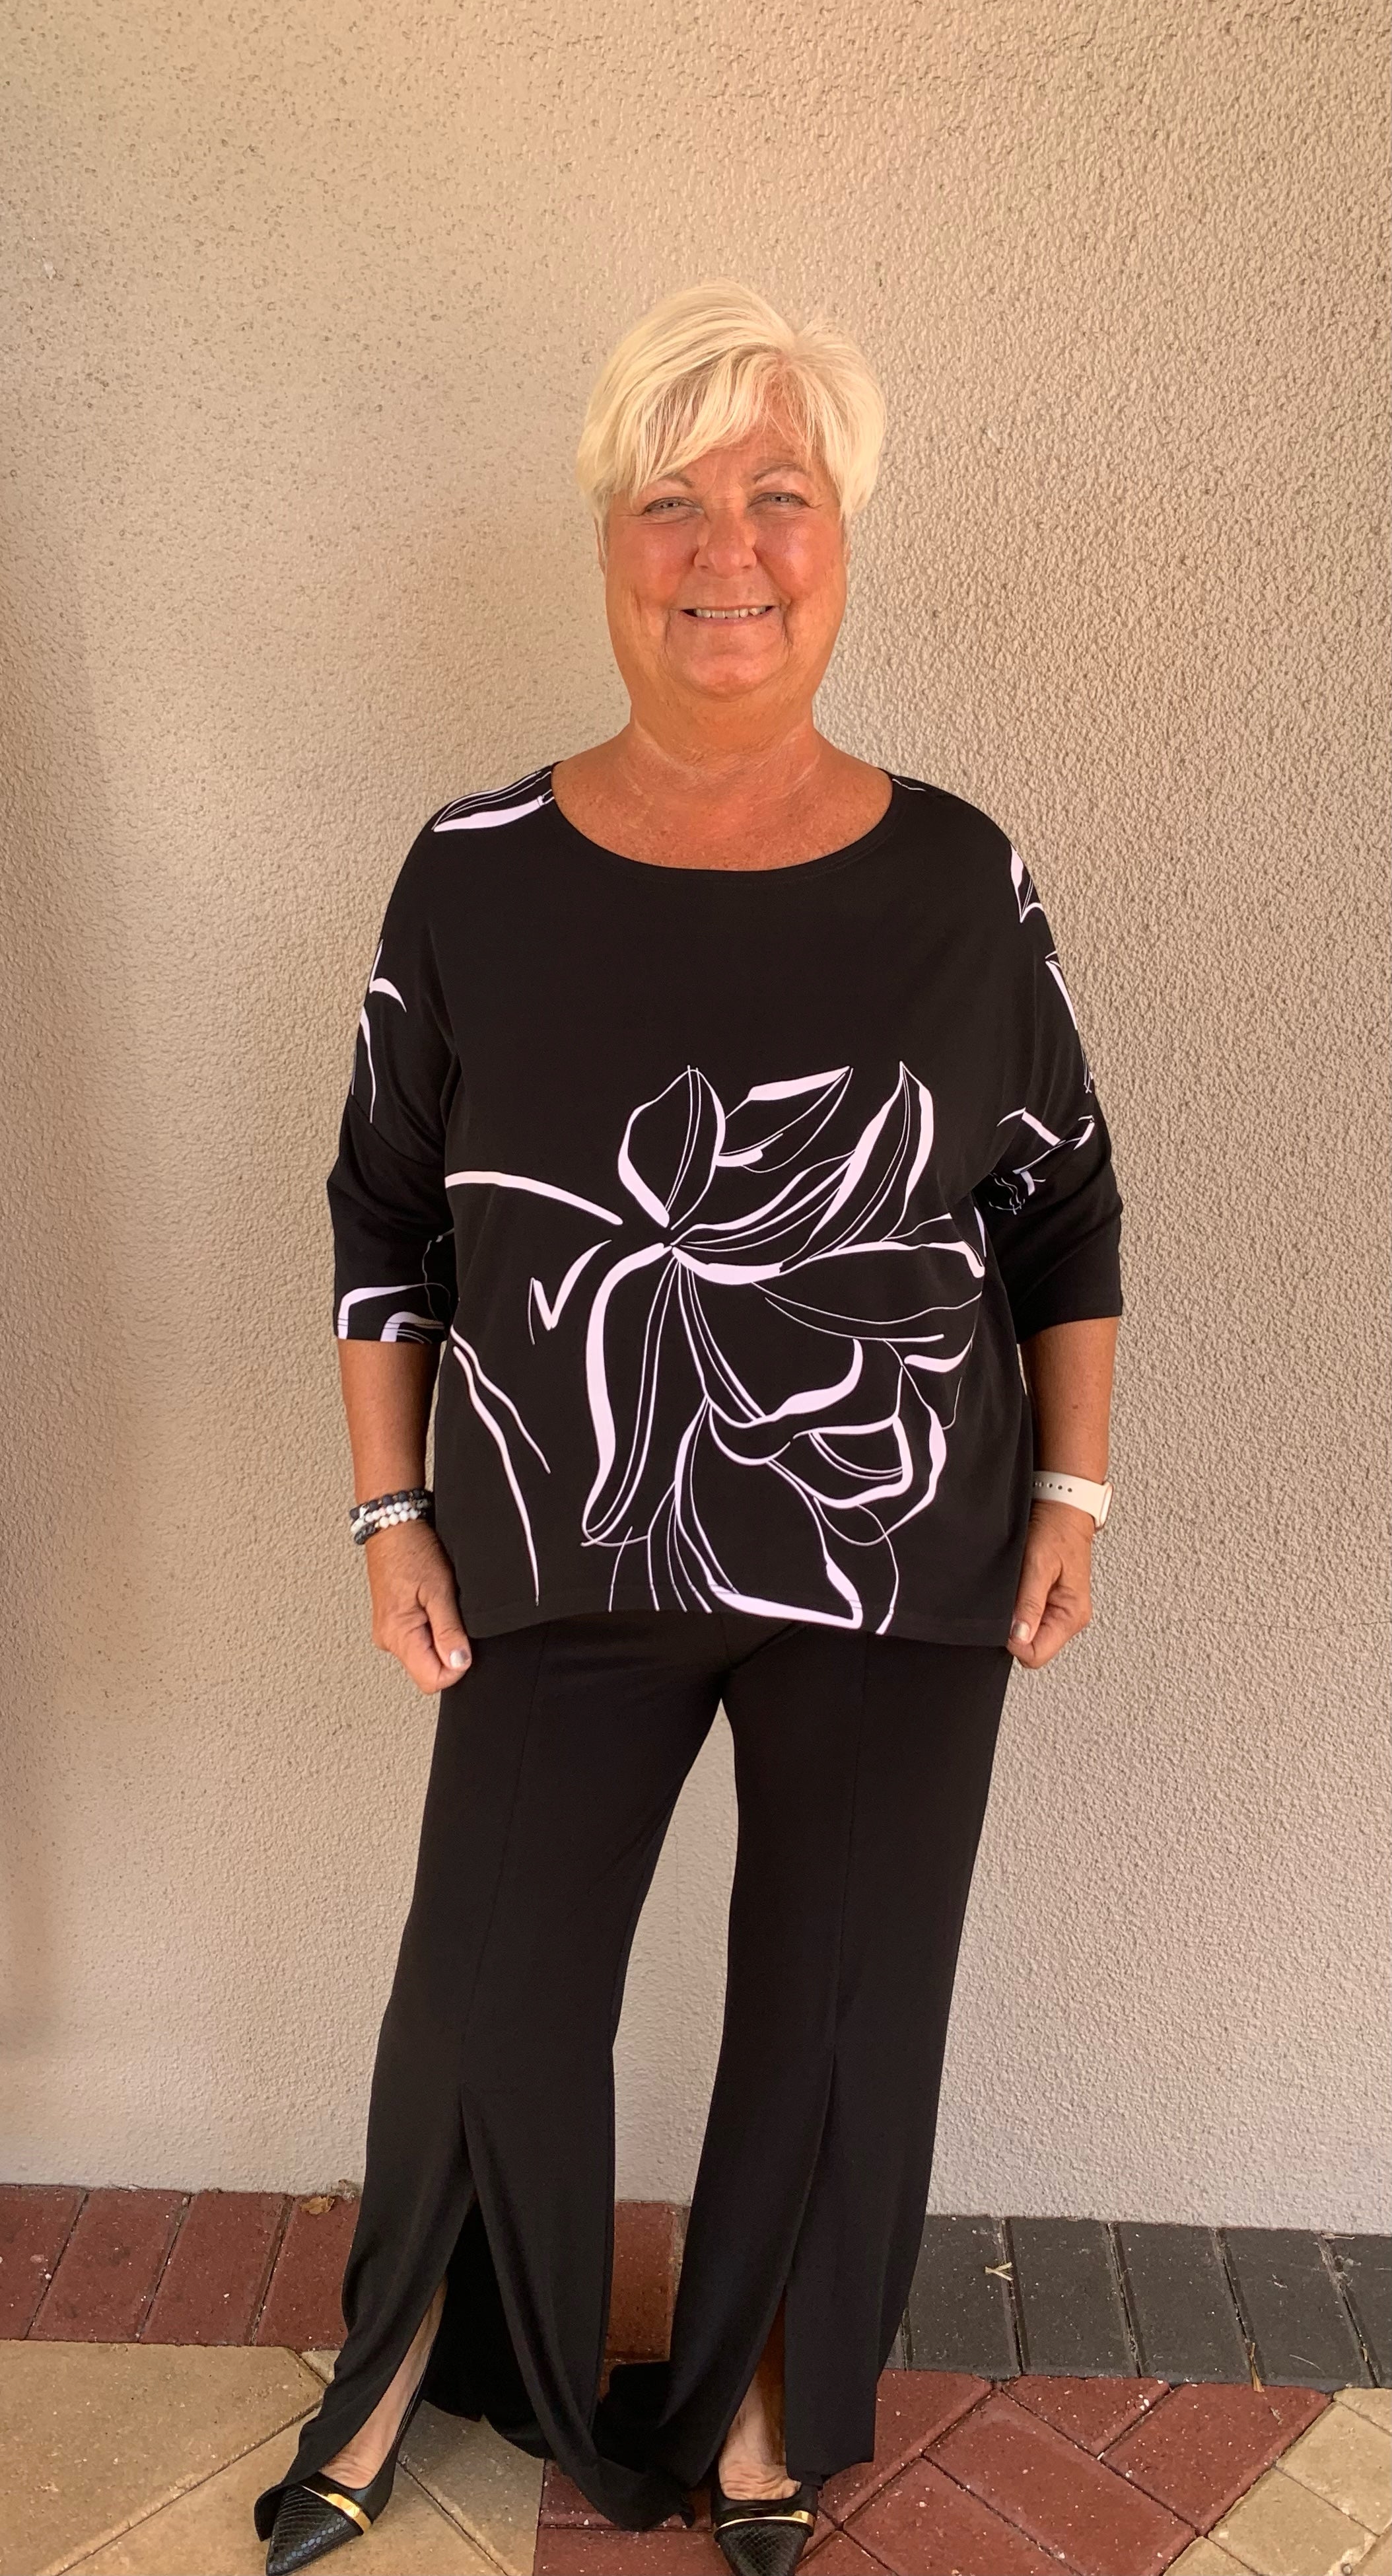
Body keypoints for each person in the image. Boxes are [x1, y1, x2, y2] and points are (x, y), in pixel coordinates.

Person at [254, 280, 1123, 2576]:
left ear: (841, 542)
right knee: (484, 1989)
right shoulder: (472, 871)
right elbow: (381, 1211)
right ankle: (408, 2354)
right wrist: (387, 1508)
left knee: (839, 2001)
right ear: (606, 543)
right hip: (560, 1537)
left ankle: (764, 2403)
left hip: (896, 1542)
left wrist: (1068, 1488)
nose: (724, 547)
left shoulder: (956, 873)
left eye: (778, 494)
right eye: (670, 498)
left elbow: (1059, 1198)